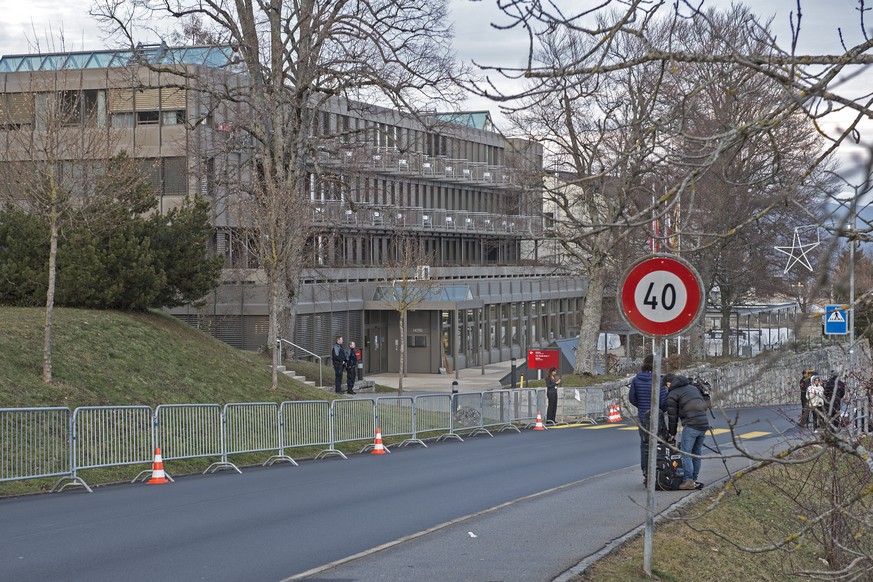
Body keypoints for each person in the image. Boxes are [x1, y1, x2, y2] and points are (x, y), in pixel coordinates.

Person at [665, 373, 710, 491]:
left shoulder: (673, 393)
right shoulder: (693, 388)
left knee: (686, 453)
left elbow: (672, 417)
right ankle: (694, 479)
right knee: (696, 453)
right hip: (703, 423)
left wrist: (672, 433)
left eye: (665, 386)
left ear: (668, 384)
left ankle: (688, 480)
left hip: (691, 424)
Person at [627, 354, 667, 487]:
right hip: (657, 417)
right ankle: (658, 471)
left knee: (644, 446)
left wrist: (642, 407)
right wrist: (660, 409)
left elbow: (632, 398)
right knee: (659, 445)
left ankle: (646, 473)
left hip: (643, 417)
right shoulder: (659, 380)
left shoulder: (636, 379)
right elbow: (663, 400)